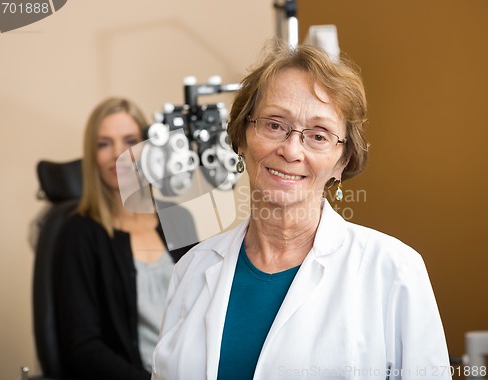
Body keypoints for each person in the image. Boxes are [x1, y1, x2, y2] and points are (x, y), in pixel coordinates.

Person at [151, 40, 452, 380]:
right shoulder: (192, 270)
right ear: (241, 137)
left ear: (343, 161)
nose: (292, 150)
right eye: (275, 124)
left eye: (319, 135)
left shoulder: (394, 271)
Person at [56, 97, 197, 380]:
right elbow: (82, 347)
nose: (117, 154)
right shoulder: (79, 234)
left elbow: (201, 311)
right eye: (104, 144)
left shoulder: (178, 219)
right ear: (92, 154)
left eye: (129, 141)